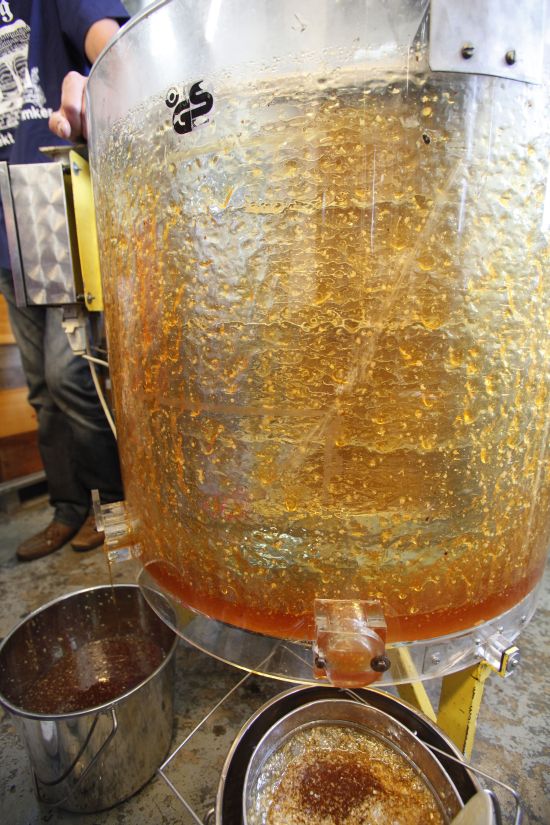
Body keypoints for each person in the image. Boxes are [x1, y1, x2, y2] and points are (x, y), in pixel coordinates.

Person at [0, 1, 129, 561]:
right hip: (7, 230)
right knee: (41, 390)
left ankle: (114, 506)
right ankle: (68, 508)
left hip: (64, 217)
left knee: (72, 375)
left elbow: (113, 42)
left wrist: (97, 83)